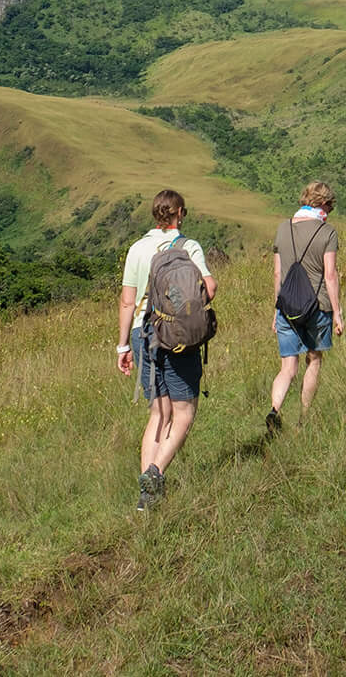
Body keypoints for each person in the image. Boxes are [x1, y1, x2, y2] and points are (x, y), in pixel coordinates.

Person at [116, 189, 216, 511]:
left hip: (141, 334)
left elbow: (127, 301)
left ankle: (147, 498)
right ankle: (156, 474)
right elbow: (209, 288)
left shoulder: (137, 248)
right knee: (184, 412)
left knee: (158, 414)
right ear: (180, 213)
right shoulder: (189, 247)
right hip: (176, 335)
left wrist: (122, 346)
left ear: (155, 214)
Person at [266, 181, 346, 431]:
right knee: (314, 359)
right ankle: (303, 417)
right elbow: (330, 275)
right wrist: (337, 313)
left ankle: (275, 409)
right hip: (318, 305)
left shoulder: (283, 228)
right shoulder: (327, 232)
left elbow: (278, 273)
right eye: (329, 206)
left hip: (287, 307)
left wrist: (276, 310)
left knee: (287, 367)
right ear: (323, 204)